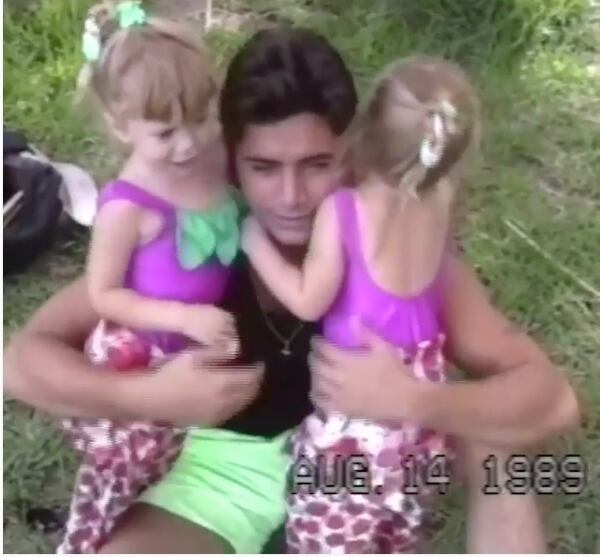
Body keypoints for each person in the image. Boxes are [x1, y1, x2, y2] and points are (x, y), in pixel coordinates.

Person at [4, 28, 579, 554]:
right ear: (230, 158)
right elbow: (22, 364)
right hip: (224, 473)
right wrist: (149, 399)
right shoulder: (197, 234)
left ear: (354, 154)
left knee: (500, 444)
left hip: (364, 470)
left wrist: (414, 399)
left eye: (316, 164)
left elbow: (552, 402)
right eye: (263, 167)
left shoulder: (386, 247)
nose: (291, 197)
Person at [242, 55, 480, 553]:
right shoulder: (441, 198)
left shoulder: (345, 210)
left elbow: (308, 301)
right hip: (417, 393)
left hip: (357, 417)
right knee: (397, 518)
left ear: (365, 131)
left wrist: (254, 242)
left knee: (330, 530)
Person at [57, 1, 241, 552]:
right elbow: (104, 294)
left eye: (201, 119)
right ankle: (91, 537)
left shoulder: (212, 159)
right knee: (128, 468)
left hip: (198, 343)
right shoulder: (127, 207)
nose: (188, 143)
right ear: (121, 126)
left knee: (177, 460)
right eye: (165, 132)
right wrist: (181, 316)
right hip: (143, 357)